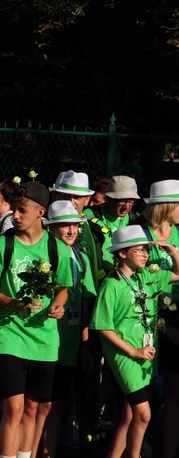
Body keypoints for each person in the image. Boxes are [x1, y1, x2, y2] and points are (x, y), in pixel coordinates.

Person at [0, 181, 72, 458]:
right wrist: (12, 303)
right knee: (14, 408)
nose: (16, 216)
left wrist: (58, 307)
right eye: (15, 210)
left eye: (22, 210)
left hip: (44, 339)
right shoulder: (2, 245)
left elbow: (63, 289)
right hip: (8, 335)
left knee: (33, 408)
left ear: (40, 211)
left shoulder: (57, 249)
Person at [90, 226, 179, 458]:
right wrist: (133, 351)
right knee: (143, 414)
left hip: (146, 353)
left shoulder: (146, 276)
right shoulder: (112, 284)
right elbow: (102, 327)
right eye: (139, 250)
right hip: (126, 354)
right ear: (121, 253)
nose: (145, 255)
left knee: (130, 415)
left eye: (146, 251)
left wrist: (173, 252)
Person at [35, 201, 96, 458]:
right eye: (64, 226)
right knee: (39, 402)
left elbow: (88, 297)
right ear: (51, 229)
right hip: (42, 336)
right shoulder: (43, 256)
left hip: (70, 341)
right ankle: (30, 451)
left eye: (74, 225)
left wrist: (84, 340)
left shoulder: (80, 257)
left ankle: (47, 452)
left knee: (57, 401)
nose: (71, 230)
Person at [133, 180, 179, 458]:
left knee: (173, 393)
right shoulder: (140, 232)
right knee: (142, 391)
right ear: (168, 206)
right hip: (144, 319)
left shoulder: (178, 234)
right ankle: (139, 445)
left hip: (175, 321)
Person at [83, 175, 141, 282]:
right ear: (109, 199)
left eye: (131, 201)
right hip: (95, 279)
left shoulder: (136, 219)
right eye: (122, 201)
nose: (127, 207)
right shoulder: (90, 216)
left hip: (127, 280)